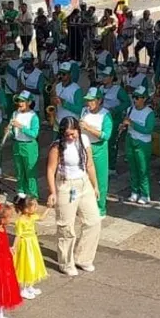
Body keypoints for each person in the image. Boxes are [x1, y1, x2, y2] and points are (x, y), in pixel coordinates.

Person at [45, 117, 102, 276]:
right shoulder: (57, 146)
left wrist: (95, 185)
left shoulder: (84, 140)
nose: (70, 137)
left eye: (73, 134)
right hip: (66, 185)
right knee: (66, 226)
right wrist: (53, 192)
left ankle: (83, 257)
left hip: (83, 183)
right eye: (67, 135)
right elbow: (50, 170)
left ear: (78, 130)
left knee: (93, 220)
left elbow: (89, 164)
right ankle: (65, 262)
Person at [78, 88, 113, 216]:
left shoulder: (105, 115)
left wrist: (89, 128)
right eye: (87, 100)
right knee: (84, 177)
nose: (89, 103)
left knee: (100, 179)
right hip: (84, 146)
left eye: (92, 100)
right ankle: (85, 205)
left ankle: (100, 208)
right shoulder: (84, 111)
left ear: (99, 100)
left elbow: (106, 135)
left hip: (99, 148)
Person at [122, 85, 155, 205]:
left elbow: (148, 130)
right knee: (132, 167)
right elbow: (127, 122)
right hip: (130, 140)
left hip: (143, 144)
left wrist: (133, 124)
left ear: (144, 98)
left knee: (142, 169)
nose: (135, 100)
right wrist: (124, 125)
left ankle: (145, 194)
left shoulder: (149, 113)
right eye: (134, 97)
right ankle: (134, 190)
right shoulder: (130, 109)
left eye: (138, 97)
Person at [7, 91, 41, 198]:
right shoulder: (14, 113)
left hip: (29, 146)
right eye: (19, 101)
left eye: (23, 101)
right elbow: (13, 132)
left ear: (29, 102)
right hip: (17, 144)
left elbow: (34, 134)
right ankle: (21, 193)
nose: (20, 104)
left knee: (30, 172)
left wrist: (21, 127)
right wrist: (9, 131)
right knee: (19, 171)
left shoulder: (33, 116)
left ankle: (32, 196)